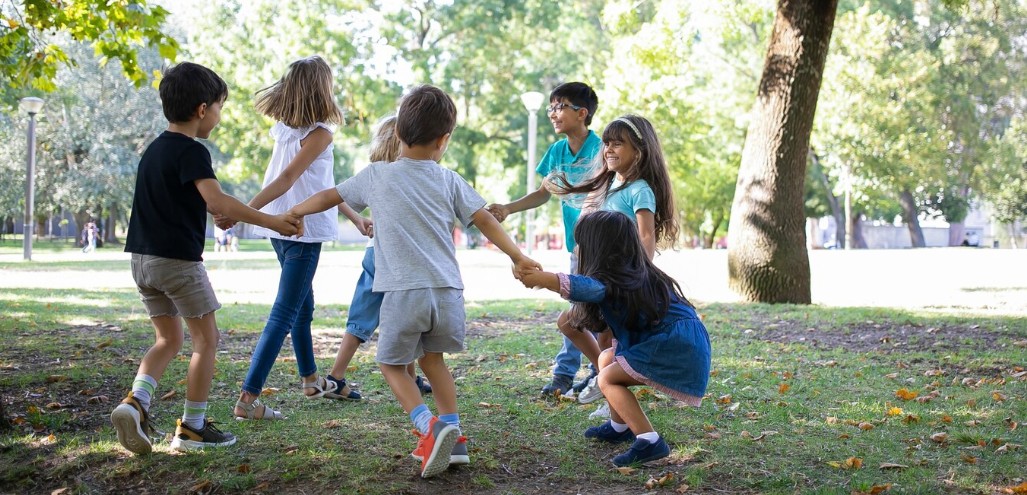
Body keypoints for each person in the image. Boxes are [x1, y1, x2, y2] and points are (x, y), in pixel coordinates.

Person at [288, 84, 540, 477]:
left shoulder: (376, 176)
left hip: (404, 293)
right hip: (448, 293)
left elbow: (329, 196)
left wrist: (297, 211)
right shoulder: (449, 179)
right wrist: (518, 256)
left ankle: (429, 427)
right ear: (444, 140)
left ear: (398, 134)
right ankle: (454, 439)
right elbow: (485, 219)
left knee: (390, 363)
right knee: (434, 362)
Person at [110, 61, 301, 455]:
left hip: (142, 262)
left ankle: (136, 403)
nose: (218, 115)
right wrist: (272, 221)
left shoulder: (153, 151)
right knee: (206, 341)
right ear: (202, 110)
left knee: (167, 339)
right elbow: (216, 201)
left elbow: (191, 203)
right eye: (219, 107)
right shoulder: (192, 151)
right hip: (177, 263)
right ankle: (193, 427)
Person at [225, 56, 367, 421]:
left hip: (280, 227)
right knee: (286, 312)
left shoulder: (286, 130)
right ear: (323, 89)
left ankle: (309, 379)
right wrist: (241, 211)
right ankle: (248, 397)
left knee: (303, 306)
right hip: (301, 230)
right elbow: (288, 179)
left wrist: (354, 215)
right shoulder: (318, 133)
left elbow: (322, 186)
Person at [517, 210, 710, 467]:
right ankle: (619, 427)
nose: (576, 250)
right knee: (607, 358)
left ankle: (650, 441)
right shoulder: (633, 273)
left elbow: (588, 287)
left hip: (673, 346)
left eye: (581, 244)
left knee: (607, 378)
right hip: (677, 342)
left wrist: (545, 279)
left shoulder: (615, 280)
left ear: (599, 249)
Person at [549, 114, 679, 413]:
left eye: (618, 143)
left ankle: (611, 393)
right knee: (570, 324)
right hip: (598, 277)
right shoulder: (607, 187)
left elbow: (646, 236)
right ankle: (603, 377)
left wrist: (641, 276)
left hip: (622, 280)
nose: (608, 149)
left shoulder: (640, 190)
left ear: (639, 151)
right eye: (606, 143)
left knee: (606, 336)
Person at [486, 82, 602, 398]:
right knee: (580, 309)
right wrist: (507, 208)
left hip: (602, 247)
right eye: (550, 107)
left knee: (582, 311)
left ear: (582, 113)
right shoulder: (557, 152)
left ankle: (571, 374)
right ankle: (593, 371)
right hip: (575, 247)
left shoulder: (602, 149)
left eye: (559, 106)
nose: (553, 113)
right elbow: (542, 193)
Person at [323, 115, 432, 402]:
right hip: (396, 259)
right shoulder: (409, 173)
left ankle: (336, 376)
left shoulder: (374, 172)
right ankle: (406, 377)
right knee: (405, 315)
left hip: (374, 254)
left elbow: (338, 194)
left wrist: (362, 219)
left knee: (362, 317)